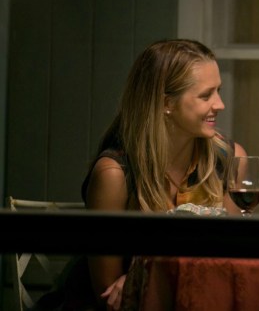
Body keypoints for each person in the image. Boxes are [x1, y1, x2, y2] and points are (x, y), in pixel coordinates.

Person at [39, 39, 248, 311]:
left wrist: (143, 278)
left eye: (218, 91)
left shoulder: (230, 159)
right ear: (166, 104)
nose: (220, 104)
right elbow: (107, 293)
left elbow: (227, 259)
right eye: (206, 95)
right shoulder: (114, 174)